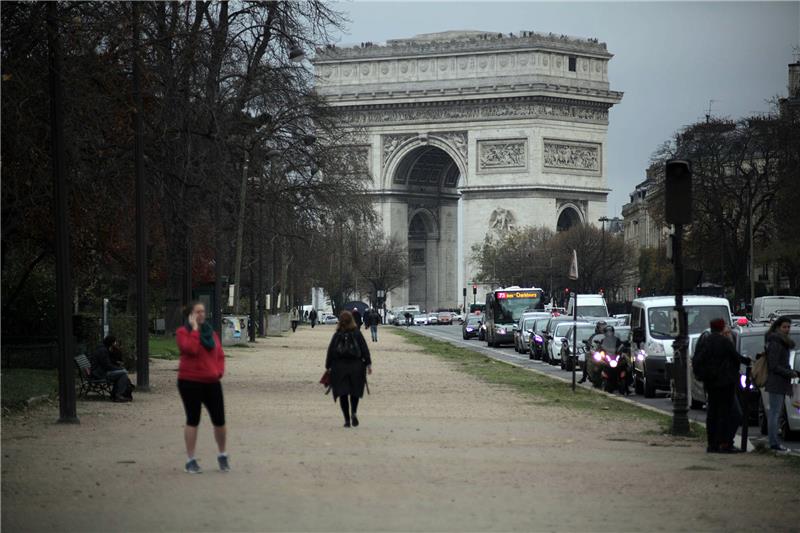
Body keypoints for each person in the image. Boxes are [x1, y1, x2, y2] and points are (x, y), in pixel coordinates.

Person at [176, 301, 229, 474]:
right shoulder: (182, 333)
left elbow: (220, 354)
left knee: (219, 420)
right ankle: (190, 460)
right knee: (193, 419)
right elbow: (190, 349)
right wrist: (194, 330)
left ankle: (222, 454)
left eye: (203, 311)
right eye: (197, 312)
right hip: (189, 381)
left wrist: (218, 371)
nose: (201, 314)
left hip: (211, 381)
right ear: (190, 315)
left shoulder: (211, 334)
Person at [697, 318, 750, 453]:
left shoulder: (706, 341)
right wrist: (748, 361)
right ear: (721, 328)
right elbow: (736, 357)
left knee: (712, 413)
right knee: (724, 413)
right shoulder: (724, 342)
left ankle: (712, 443)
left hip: (710, 382)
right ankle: (723, 443)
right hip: (725, 382)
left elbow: (699, 359)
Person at [325, 311, 372, 428]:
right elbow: (364, 348)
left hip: (339, 367)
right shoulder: (357, 333)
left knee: (343, 393)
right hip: (356, 366)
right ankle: (354, 412)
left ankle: (346, 419)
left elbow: (331, 351)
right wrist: (368, 364)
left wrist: (328, 366)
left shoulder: (337, 335)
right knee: (355, 391)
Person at [763, 316, 799, 452]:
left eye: (789, 327)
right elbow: (774, 365)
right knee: (775, 413)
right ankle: (774, 443)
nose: (787, 329)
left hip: (780, 382)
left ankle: (774, 442)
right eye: (784, 327)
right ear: (778, 327)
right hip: (776, 382)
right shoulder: (776, 342)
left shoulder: (780, 341)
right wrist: (789, 373)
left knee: (776, 413)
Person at [90, 336, 133, 402]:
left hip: (99, 372)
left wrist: (117, 367)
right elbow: (107, 365)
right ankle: (118, 395)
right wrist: (118, 369)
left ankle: (117, 394)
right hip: (100, 374)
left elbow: (107, 363)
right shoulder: (103, 351)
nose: (115, 344)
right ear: (111, 342)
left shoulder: (102, 349)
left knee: (122, 374)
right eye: (114, 342)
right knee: (123, 373)